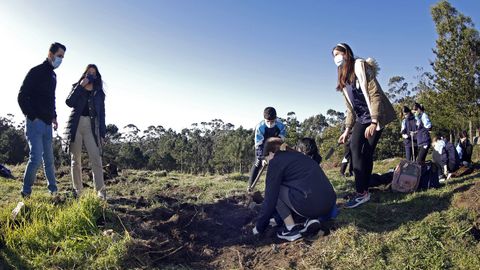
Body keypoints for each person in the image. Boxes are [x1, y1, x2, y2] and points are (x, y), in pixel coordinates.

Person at [332, 43, 396, 208]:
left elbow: (375, 94)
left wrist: (374, 121)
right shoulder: (343, 79)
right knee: (354, 148)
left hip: (375, 115)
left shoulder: (360, 67)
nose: (336, 58)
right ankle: (362, 189)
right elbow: (350, 108)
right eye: (333, 56)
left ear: (347, 53)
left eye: (338, 54)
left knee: (366, 152)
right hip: (361, 118)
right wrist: (347, 130)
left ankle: (362, 192)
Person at [252, 138, 337, 241]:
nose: (268, 162)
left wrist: (259, 227)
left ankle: (291, 229)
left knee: (276, 190)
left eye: (266, 158)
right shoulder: (300, 157)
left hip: (312, 205)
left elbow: (270, 199)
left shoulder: (275, 161)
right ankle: (309, 220)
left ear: (270, 153)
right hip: (330, 204)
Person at [17, 42, 66, 198]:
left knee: (49, 160)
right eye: (59, 56)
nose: (61, 59)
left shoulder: (53, 76)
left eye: (63, 57)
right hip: (35, 123)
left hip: (47, 124)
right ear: (50, 54)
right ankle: (26, 193)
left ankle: (53, 191)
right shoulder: (36, 71)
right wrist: (32, 116)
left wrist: (54, 117)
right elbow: (22, 96)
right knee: (36, 157)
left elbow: (51, 99)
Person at [65, 64, 107, 199]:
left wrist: (102, 134)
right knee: (75, 160)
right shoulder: (77, 87)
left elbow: (102, 114)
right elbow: (69, 102)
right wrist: (81, 85)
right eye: (89, 73)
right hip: (76, 125)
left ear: (97, 76)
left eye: (93, 74)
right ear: (84, 74)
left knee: (96, 158)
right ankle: (78, 191)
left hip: (91, 127)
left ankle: (100, 192)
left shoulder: (99, 93)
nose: (91, 75)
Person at [247, 107, 286, 191]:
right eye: (268, 121)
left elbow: (280, 140)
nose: (270, 123)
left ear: (275, 118)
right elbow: (258, 145)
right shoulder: (260, 127)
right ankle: (250, 188)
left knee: (277, 166)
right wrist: (263, 157)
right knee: (257, 163)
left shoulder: (281, 125)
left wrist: (274, 152)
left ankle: (275, 188)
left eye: (272, 121)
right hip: (262, 147)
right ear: (264, 119)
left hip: (275, 146)